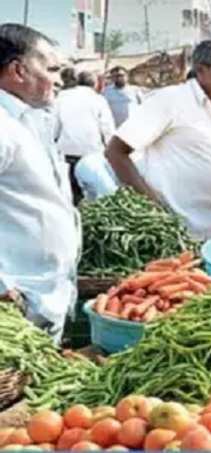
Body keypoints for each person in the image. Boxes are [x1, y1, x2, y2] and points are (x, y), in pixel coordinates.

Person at [105, 38, 211, 240]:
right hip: (184, 236)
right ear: (201, 69)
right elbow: (116, 151)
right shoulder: (169, 101)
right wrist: (153, 210)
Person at [0, 23, 80, 342]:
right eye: (51, 69)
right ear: (19, 70)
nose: (60, 80)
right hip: (18, 296)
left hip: (43, 292)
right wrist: (3, 287)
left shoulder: (32, 119)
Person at [55, 70, 115, 203]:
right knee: (93, 196)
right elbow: (107, 128)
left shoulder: (61, 97)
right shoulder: (98, 99)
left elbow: (54, 127)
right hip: (92, 154)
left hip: (67, 154)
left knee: (71, 194)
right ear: (94, 84)